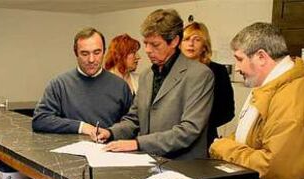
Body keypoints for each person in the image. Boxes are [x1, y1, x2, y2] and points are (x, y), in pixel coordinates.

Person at [91, 9, 214, 160]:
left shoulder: (199, 75)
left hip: (182, 167)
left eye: (155, 44)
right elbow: (134, 119)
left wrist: (137, 143)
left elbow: (189, 130)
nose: (148, 50)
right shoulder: (146, 75)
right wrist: (110, 132)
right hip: (148, 162)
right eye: (146, 44)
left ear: (174, 41)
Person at [209, 22, 304, 179]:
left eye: (239, 59)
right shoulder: (269, 87)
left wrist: (224, 149)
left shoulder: (290, 97)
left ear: (261, 57)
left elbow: (275, 171)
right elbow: (248, 135)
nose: (236, 68)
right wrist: (226, 143)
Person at [32, 27, 132, 134]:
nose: (91, 59)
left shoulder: (120, 86)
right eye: (85, 54)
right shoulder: (59, 84)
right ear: (76, 53)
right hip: (69, 148)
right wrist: (81, 127)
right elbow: (40, 120)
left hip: (109, 147)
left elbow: (132, 123)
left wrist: (110, 133)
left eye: (97, 52)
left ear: (104, 51)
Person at [181, 22, 235, 148]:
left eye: (197, 39)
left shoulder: (218, 71)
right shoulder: (171, 71)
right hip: (172, 138)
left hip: (205, 139)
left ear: (204, 46)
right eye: (186, 39)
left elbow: (227, 111)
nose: (191, 44)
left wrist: (199, 125)